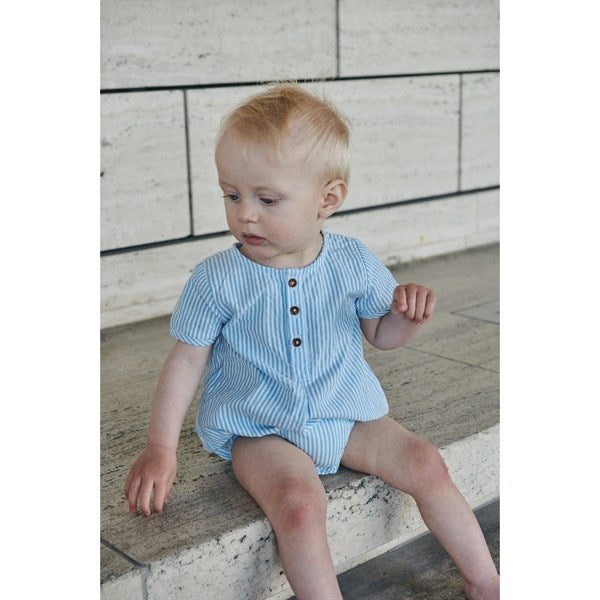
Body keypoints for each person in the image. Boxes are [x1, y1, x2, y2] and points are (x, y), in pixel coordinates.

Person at [124, 84, 499, 600]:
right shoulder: (216, 279)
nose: (245, 214)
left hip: (344, 414)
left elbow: (381, 335)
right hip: (261, 428)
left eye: (267, 199)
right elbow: (187, 361)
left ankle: (486, 582)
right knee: (299, 506)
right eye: (231, 195)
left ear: (328, 200)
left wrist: (405, 317)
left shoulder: (352, 261)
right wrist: (159, 448)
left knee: (426, 463)